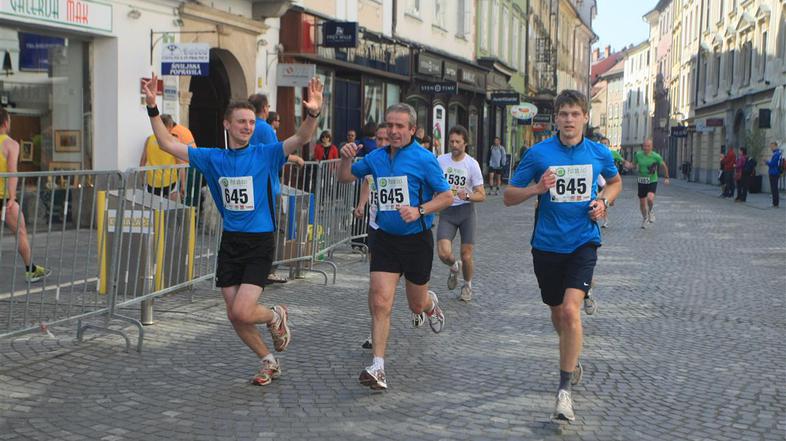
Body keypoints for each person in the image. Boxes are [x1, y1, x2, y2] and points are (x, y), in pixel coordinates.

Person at [142, 74, 324, 386]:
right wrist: (152, 108)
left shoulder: (264, 154)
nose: (248, 128)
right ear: (227, 125)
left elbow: (301, 138)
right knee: (233, 314)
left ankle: (275, 315)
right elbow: (166, 143)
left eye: (252, 123)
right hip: (231, 242)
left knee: (242, 310)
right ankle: (268, 360)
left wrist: (313, 113)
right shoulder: (213, 158)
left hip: (259, 241)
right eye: (241, 122)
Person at [503, 89, 621, 422]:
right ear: (556, 118)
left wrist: (603, 202)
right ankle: (572, 351)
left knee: (571, 311)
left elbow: (614, 183)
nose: (569, 120)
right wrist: (536, 190)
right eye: (563, 114)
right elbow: (509, 197)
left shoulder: (598, 153)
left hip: (584, 242)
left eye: (575, 114)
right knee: (558, 314)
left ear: (585, 117)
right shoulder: (539, 154)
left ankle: (564, 390)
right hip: (546, 246)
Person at [338, 103, 453, 390]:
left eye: (400, 126)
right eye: (389, 125)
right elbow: (345, 176)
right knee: (380, 301)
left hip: (416, 241)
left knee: (416, 302)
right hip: (385, 238)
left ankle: (430, 304)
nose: (393, 131)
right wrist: (344, 158)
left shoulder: (425, 159)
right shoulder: (376, 158)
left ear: (412, 130)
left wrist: (420, 210)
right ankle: (378, 366)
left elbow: (447, 197)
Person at [0, 108, 51, 283]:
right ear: (6, 123)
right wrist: (12, 198)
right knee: (20, 232)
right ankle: (31, 270)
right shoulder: (11, 145)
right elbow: (12, 172)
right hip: (4, 198)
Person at [436, 125, 486, 302]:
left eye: (458, 141)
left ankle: (467, 285)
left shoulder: (472, 164)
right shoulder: (441, 161)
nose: (454, 145)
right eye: (451, 141)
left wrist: (469, 195)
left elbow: (482, 195)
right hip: (447, 211)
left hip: (466, 212)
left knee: (466, 254)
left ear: (465, 143)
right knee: (443, 253)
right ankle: (453, 266)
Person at [355, 124, 389, 350]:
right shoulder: (373, 160)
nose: (382, 143)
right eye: (378, 139)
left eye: (385, 139)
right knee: (377, 286)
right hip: (376, 227)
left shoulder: (406, 161)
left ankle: (424, 303)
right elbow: (367, 182)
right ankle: (373, 331)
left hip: (404, 230)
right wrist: (361, 205)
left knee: (411, 289)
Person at [629, 139, 669, 229]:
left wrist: (666, 177)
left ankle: (650, 211)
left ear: (651, 147)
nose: (646, 148)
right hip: (642, 180)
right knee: (642, 203)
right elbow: (634, 164)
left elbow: (664, 165)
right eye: (644, 146)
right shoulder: (638, 154)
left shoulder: (656, 156)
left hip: (652, 180)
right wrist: (629, 165)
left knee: (650, 198)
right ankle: (645, 218)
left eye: (648, 146)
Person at [764, 141, 783, 208]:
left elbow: (773, 164)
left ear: (775, 146)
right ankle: (775, 203)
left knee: (774, 188)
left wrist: (767, 162)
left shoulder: (776, 154)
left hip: (774, 172)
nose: (771, 148)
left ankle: (775, 203)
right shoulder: (776, 153)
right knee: (774, 188)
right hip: (774, 172)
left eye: (772, 146)